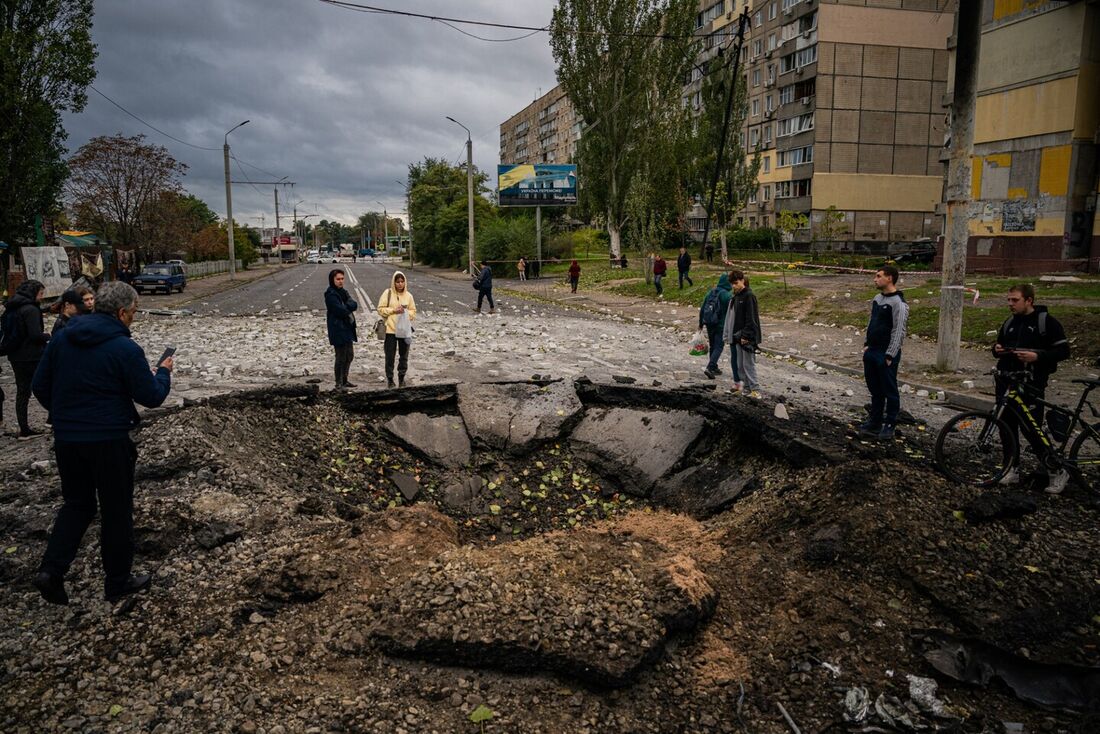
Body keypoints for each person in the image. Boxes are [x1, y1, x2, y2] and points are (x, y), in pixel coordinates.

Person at [30, 281, 173, 605]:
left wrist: (66, 413)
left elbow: (40, 385)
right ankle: (118, 582)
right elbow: (151, 396)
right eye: (134, 313)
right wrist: (163, 373)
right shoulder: (125, 349)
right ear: (122, 313)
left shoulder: (63, 337)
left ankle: (51, 571)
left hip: (67, 438)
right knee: (115, 510)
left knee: (77, 504)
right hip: (108, 439)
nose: (134, 318)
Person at [992, 283, 1071, 493]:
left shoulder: (1046, 323)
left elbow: (1064, 351)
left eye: (1015, 300)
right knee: (1005, 427)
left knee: (1031, 430)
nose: (1010, 304)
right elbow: (998, 345)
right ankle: (1011, 468)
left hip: (1031, 384)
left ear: (1029, 300)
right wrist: (996, 349)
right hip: (1007, 382)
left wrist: (1038, 356)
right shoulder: (1009, 322)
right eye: (1008, 299)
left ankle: (1056, 471)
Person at [860, 265, 909, 440]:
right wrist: (866, 344)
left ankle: (890, 423)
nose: (875, 279)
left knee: (889, 389)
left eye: (878, 276)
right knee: (875, 389)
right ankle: (875, 421)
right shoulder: (877, 298)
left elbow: (899, 330)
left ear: (889, 278)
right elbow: (871, 321)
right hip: (872, 350)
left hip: (885, 353)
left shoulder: (899, 303)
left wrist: (890, 354)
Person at [2, 279, 50, 438]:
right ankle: (55, 419)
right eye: (41, 293)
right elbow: (35, 335)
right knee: (48, 385)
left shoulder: (12, 307)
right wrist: (48, 335)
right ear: (34, 293)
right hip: (32, 356)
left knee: (22, 392)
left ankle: (24, 428)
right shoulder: (31, 309)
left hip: (15, 356)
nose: (42, 297)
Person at [723, 270, 762, 396]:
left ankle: (755, 390)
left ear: (742, 281)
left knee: (748, 364)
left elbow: (751, 318)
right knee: (740, 365)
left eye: (736, 283)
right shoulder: (737, 297)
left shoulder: (749, 296)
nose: (733, 286)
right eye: (732, 284)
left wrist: (746, 335)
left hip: (746, 337)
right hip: (737, 337)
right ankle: (746, 389)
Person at [376, 271, 417, 388]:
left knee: (404, 356)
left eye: (402, 281)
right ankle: (390, 379)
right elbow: (380, 309)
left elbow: (413, 312)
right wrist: (394, 310)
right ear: (394, 282)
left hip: (404, 331)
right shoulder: (387, 293)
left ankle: (402, 378)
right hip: (390, 330)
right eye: (397, 281)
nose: (400, 284)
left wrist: (405, 312)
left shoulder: (409, 296)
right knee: (390, 356)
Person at [324, 269, 358, 389]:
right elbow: (340, 311)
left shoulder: (343, 292)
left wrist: (346, 306)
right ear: (332, 280)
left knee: (349, 355)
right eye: (338, 279)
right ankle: (338, 383)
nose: (340, 281)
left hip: (347, 328)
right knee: (340, 356)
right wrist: (347, 307)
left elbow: (354, 304)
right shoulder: (330, 294)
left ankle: (345, 379)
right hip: (337, 328)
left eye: (342, 279)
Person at [699, 272, 733, 379]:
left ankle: (714, 367)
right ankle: (710, 367)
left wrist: (701, 323)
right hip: (721, 325)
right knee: (719, 346)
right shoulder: (727, 296)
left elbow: (703, 307)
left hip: (709, 323)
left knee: (713, 345)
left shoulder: (711, 292)